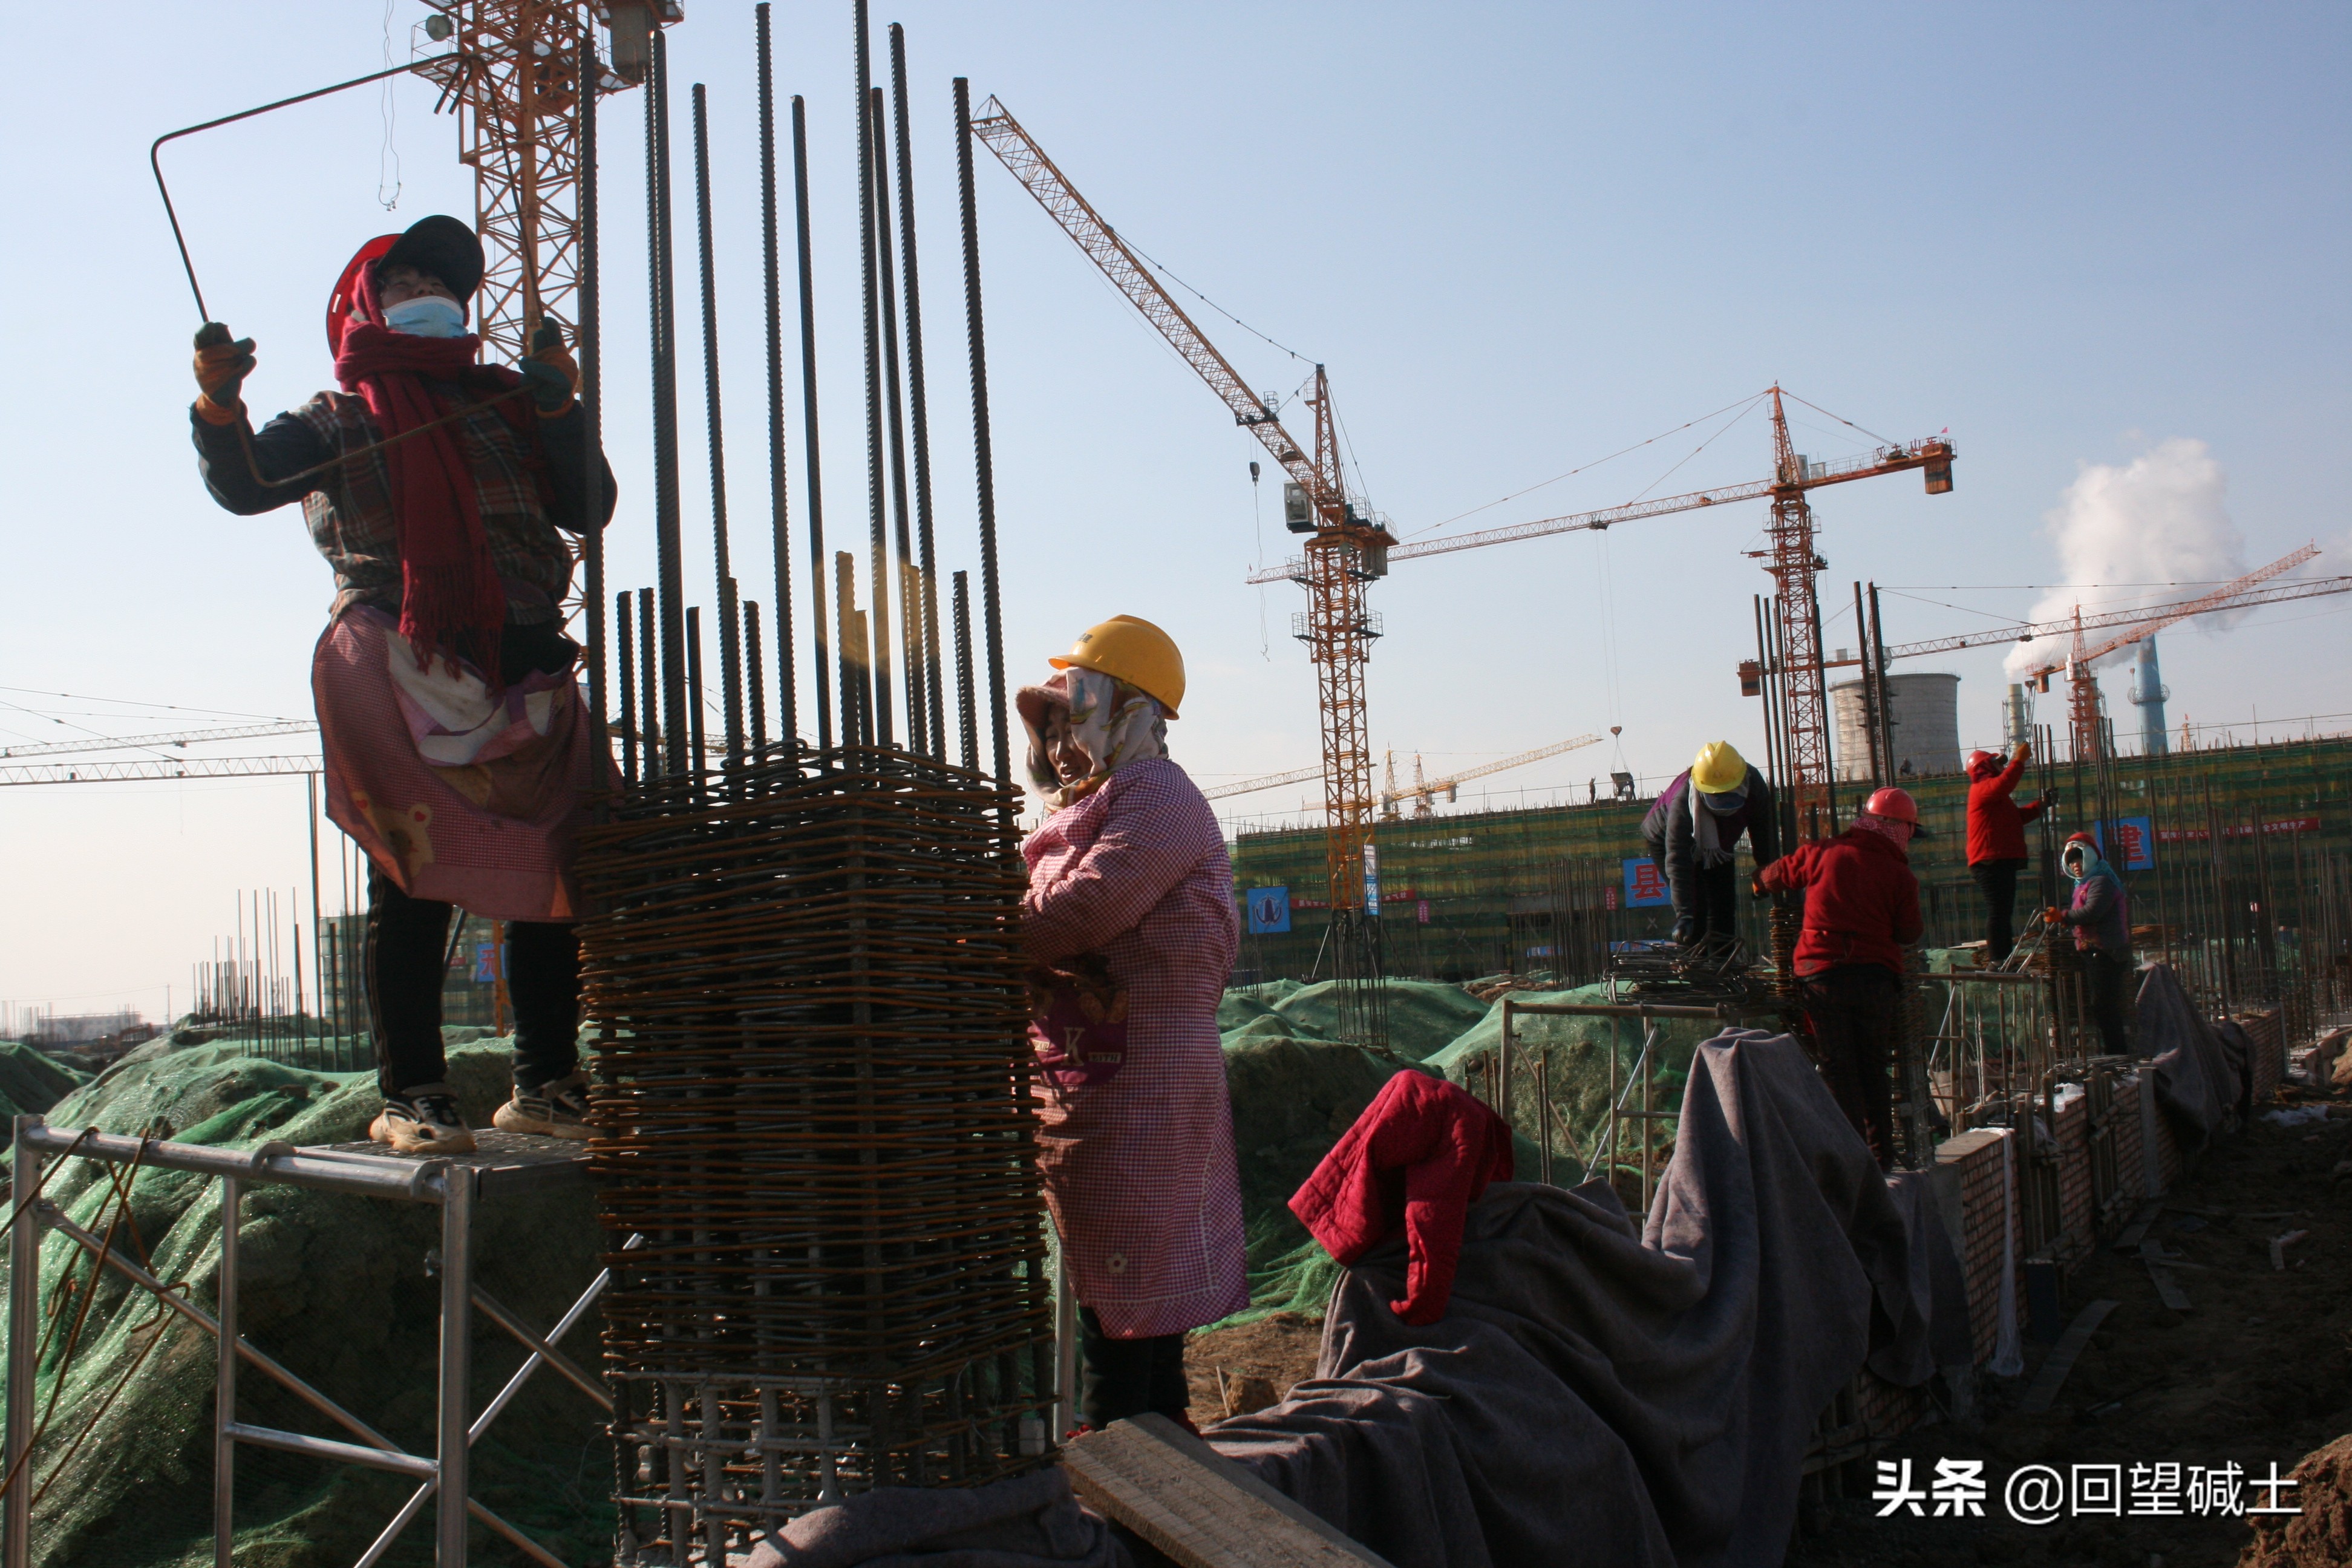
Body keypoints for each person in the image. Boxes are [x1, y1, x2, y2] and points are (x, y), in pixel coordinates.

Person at [189, 216, 616, 1154]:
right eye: (405, 277)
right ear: (361, 304)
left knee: (558, 878)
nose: (430, 290)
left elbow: (589, 506)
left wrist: (559, 409)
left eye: (442, 278)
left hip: (524, 661)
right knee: (412, 880)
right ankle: (412, 1093)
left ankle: (546, 1081)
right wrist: (220, 414)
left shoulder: (505, 403)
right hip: (401, 658)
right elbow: (252, 482)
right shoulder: (339, 418)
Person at [1016, 616, 1248, 1434]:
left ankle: (1129, 1463)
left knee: (1127, 1292)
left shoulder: (1157, 795)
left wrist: (970, 926)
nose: (1063, 725)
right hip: (1092, 1084)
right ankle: (1157, 1437)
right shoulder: (1087, 809)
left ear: (1134, 709)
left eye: (1079, 700)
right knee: (1115, 1282)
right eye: (1057, 709)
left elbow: (1086, 908)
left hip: (1141, 1087)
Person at [1754, 787, 1925, 1168]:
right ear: (1899, 829)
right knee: (1872, 1066)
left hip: (1823, 977)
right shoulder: (1900, 875)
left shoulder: (1824, 853)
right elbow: (1908, 934)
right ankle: (1880, 1156)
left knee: (1836, 1066)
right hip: (1875, 982)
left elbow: (1777, 874)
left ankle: (1849, 1156)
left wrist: (1757, 882)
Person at [1640, 740, 1780, 951]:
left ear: (1741, 782)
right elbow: (1678, 861)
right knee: (1697, 913)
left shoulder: (1755, 785)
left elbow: (1763, 833)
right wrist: (1685, 914)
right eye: (1717, 797)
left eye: (1729, 796)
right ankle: (1696, 972)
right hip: (1667, 840)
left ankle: (1723, 968)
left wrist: (1766, 873)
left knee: (1723, 909)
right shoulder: (1682, 804)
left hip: (1719, 848)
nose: (1723, 804)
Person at [1964, 743, 2051, 963]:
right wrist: (2018, 761)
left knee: (2003, 912)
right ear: (1983, 768)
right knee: (1999, 912)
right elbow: (2005, 783)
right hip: (1990, 862)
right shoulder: (1983, 789)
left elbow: (2017, 818)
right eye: (1994, 762)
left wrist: (2042, 805)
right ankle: (1998, 960)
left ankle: (2002, 958)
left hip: (1999, 860)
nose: (1998, 766)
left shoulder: (1995, 796)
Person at [2054, 831, 2133, 1054]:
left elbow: (2092, 912)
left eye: (2079, 858)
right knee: (2101, 1005)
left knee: (2105, 1005)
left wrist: (2064, 917)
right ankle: (2114, 1051)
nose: (2076, 865)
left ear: (2090, 856)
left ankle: (2117, 1053)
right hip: (2094, 950)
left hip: (2107, 952)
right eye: (2071, 861)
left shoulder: (2101, 882)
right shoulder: (2083, 885)